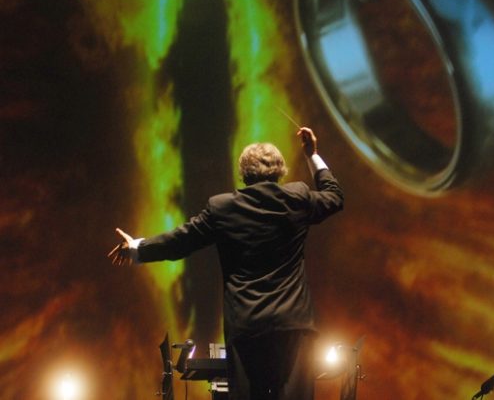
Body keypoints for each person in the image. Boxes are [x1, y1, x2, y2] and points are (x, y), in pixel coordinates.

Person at [107, 126, 344, 400]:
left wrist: (137, 248)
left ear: (243, 174)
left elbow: (180, 241)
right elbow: (334, 196)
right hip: (292, 325)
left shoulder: (223, 208)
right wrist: (312, 155)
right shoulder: (298, 197)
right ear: (280, 170)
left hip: (247, 328)